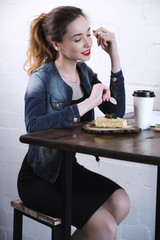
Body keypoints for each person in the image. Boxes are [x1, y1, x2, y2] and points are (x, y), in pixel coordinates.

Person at [18, 6, 130, 240]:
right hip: (39, 178)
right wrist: (87, 104)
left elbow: (115, 114)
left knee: (120, 202)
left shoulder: (85, 72)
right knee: (106, 227)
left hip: (69, 170)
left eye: (89, 34)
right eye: (78, 39)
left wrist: (114, 56)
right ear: (56, 44)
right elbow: (34, 127)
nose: (88, 43)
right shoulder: (41, 78)